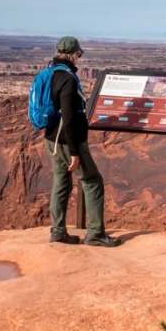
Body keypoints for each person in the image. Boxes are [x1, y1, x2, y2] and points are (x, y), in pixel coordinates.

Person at [44, 36, 120, 247]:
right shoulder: (68, 79)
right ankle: (95, 234)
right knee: (92, 181)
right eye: (79, 54)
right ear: (73, 54)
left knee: (61, 182)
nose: (79, 58)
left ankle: (58, 231)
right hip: (69, 141)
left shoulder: (49, 73)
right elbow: (68, 118)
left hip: (51, 139)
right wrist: (76, 152)